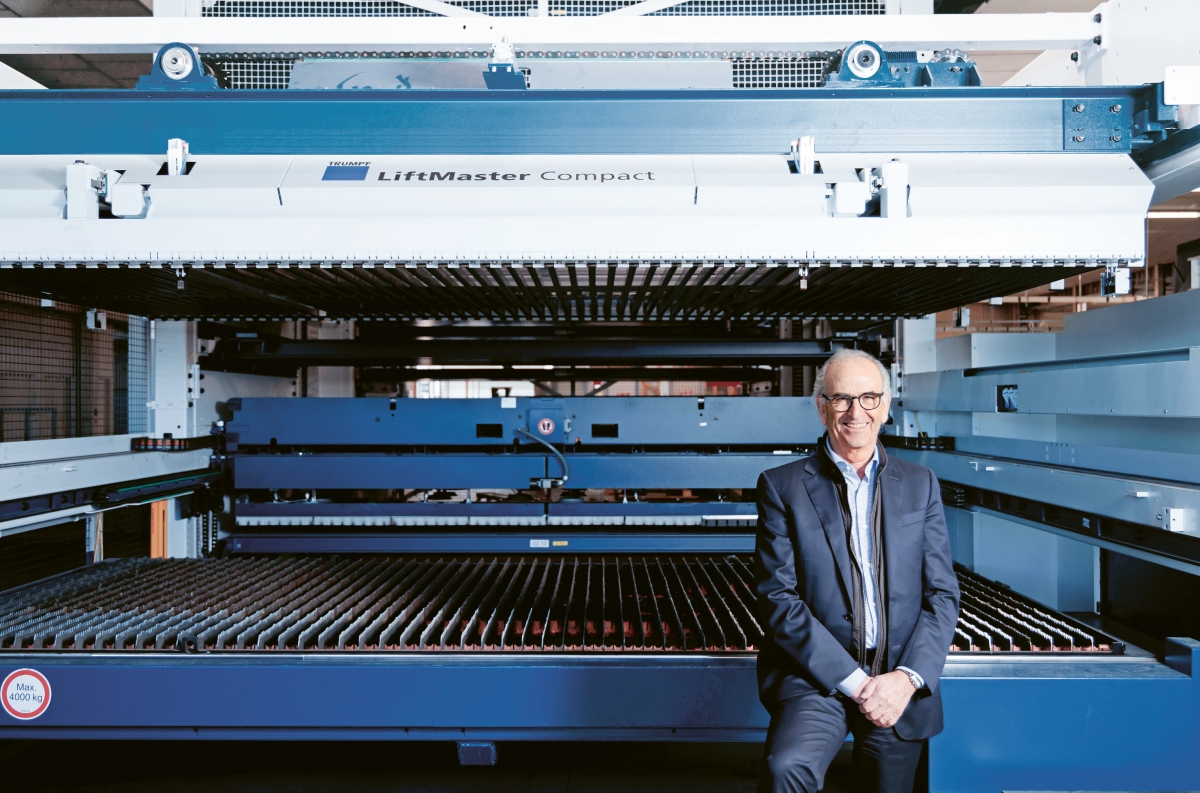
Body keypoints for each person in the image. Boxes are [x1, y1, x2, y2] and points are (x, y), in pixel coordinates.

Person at [754, 348, 960, 793]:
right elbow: (778, 598)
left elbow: (942, 594)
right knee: (787, 768)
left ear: (885, 406)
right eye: (842, 398)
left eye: (869, 398)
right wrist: (855, 682)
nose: (856, 411)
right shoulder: (782, 486)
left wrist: (906, 679)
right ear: (822, 407)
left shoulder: (920, 484)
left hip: (897, 676)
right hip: (815, 677)